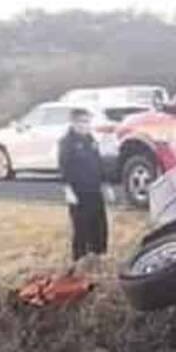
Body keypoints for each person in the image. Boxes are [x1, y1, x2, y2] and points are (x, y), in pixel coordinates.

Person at [58, 108, 110, 263]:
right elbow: (64, 167)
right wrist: (68, 190)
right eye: (83, 122)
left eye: (88, 122)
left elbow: (98, 163)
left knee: (99, 223)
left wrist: (105, 184)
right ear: (74, 122)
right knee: (81, 226)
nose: (86, 125)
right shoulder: (66, 142)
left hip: (94, 188)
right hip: (78, 191)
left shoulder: (90, 139)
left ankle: (99, 253)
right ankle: (80, 258)